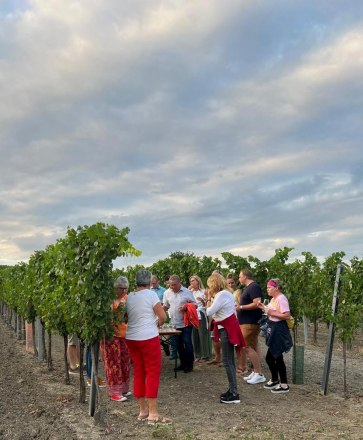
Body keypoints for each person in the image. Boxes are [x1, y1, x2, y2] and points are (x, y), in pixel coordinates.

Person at [125, 269, 171, 424]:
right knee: (152, 372)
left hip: (131, 338)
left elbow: (126, 317)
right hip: (148, 337)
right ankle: (153, 414)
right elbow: (163, 316)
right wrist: (158, 322)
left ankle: (142, 411)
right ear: (149, 281)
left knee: (138, 371)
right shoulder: (151, 295)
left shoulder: (130, 296)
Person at [206, 272, 245, 404]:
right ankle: (232, 389)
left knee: (227, 361)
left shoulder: (221, 295)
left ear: (214, 285)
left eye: (210, 285)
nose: (209, 288)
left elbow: (209, 312)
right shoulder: (226, 294)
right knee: (230, 361)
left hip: (226, 329)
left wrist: (207, 300)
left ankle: (234, 394)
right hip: (228, 327)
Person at [259, 278, 293, 393]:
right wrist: (263, 307)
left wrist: (270, 312)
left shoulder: (281, 299)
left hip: (278, 330)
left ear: (276, 287)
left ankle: (283, 385)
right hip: (273, 328)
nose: (267, 289)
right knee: (273, 357)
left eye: (269, 287)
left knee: (276, 356)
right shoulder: (274, 299)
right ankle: (275, 380)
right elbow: (270, 311)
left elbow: (287, 315)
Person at [100, 276, 131, 402]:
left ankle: (123, 388)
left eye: (125, 289)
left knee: (124, 361)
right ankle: (114, 392)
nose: (123, 291)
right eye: (121, 289)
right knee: (113, 363)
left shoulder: (127, 298)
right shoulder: (108, 300)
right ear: (115, 288)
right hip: (110, 335)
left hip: (124, 334)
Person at [236, 269, 266, 384]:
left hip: (250, 322)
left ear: (245, 276)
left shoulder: (254, 287)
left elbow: (257, 303)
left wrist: (241, 308)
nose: (239, 279)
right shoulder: (249, 288)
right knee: (251, 346)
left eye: (240, 276)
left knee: (246, 347)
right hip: (246, 322)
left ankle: (258, 373)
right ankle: (256, 372)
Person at [163, 275, 197, 373]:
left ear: (179, 283)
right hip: (174, 323)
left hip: (186, 323)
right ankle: (182, 364)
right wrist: (159, 313)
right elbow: (166, 306)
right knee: (178, 345)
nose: (172, 287)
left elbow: (195, 304)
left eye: (174, 285)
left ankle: (189, 364)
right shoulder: (167, 293)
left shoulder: (187, 292)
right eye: (170, 285)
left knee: (187, 343)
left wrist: (186, 307)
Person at [189, 275, 211, 362]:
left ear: (198, 281)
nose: (192, 282)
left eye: (193, 280)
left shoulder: (203, 291)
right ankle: (197, 354)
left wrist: (202, 300)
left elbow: (208, 304)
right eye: (191, 281)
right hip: (192, 315)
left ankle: (205, 355)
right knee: (194, 336)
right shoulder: (190, 292)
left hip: (201, 313)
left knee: (203, 335)